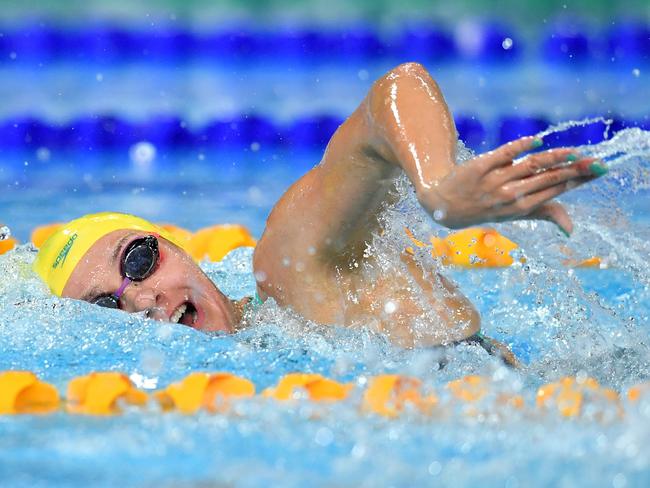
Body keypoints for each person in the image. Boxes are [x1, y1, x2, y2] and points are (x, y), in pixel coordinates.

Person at [32, 63, 606, 366]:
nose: (138, 299)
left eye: (137, 260)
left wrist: (442, 187)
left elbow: (395, 93)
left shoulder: (290, 272)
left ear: (175, 247)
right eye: (106, 309)